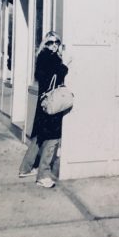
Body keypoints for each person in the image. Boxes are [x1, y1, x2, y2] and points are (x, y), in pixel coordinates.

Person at [19, 31, 69, 188]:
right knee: (52, 138)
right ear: (45, 44)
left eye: (57, 42)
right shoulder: (51, 57)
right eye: (50, 42)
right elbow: (60, 72)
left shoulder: (41, 57)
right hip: (51, 103)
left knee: (39, 137)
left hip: (43, 103)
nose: (54, 45)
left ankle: (25, 168)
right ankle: (43, 175)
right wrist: (66, 64)